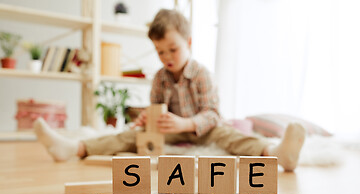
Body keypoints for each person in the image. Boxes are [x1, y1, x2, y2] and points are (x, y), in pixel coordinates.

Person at [34, 9, 305, 171]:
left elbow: (212, 113)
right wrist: (146, 120)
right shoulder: (160, 78)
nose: (167, 57)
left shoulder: (201, 74)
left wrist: (186, 122)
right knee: (128, 137)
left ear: (188, 42)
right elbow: (155, 110)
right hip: (169, 132)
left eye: (172, 49)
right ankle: (75, 148)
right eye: (160, 51)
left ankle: (277, 153)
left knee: (231, 137)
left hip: (204, 128)